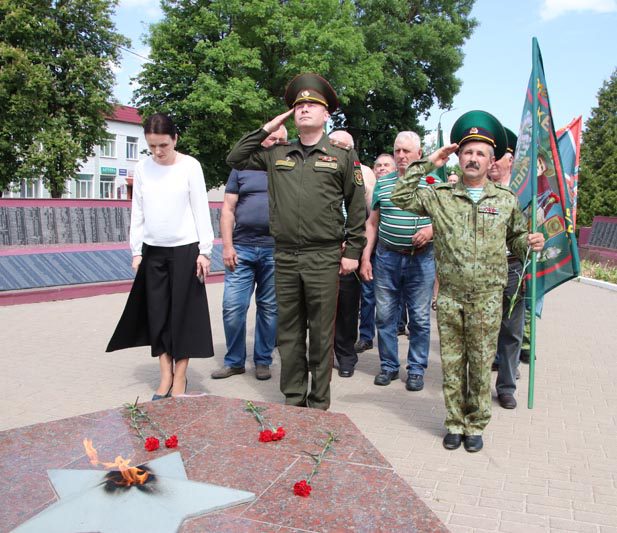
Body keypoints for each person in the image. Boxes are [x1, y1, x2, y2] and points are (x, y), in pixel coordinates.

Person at [390, 110, 545, 452]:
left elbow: (517, 238)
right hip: (451, 296)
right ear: (458, 158)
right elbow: (399, 196)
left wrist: (531, 242)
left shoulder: (505, 201)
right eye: (467, 152)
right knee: (452, 364)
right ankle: (454, 422)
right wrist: (430, 161)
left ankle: (475, 424)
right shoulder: (441, 195)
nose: (473, 158)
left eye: (480, 153)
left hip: (489, 297)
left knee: (478, 364)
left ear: (491, 161)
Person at [226, 73, 366, 410]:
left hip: (324, 255)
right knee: (288, 332)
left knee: (320, 333)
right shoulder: (277, 154)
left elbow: (357, 204)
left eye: (311, 105)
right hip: (285, 256)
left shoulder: (342, 155)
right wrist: (267, 128)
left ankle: (318, 401)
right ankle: (293, 396)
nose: (303, 110)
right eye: (298, 105)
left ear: (326, 115)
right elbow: (235, 158)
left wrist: (355, 251)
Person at [107, 112, 215, 399]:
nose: (157, 152)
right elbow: (138, 210)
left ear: (175, 139)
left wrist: (205, 251)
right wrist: (136, 251)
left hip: (186, 250)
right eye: (152, 146)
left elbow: (201, 210)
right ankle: (164, 375)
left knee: (183, 315)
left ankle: (180, 378)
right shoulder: (143, 168)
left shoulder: (190, 166)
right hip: (152, 252)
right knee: (157, 316)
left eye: (163, 145)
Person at [360, 131, 436, 392]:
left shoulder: (432, 182)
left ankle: (416, 369)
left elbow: (447, 219)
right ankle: (389, 366)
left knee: (419, 318)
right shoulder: (384, 183)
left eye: (406, 151)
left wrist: (431, 230)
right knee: (385, 315)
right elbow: (372, 223)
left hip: (421, 259)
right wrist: (365, 257)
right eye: (397, 151)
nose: (401, 156)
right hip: (387, 257)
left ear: (419, 154)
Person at [211, 126, 288, 381]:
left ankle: (263, 360)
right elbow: (228, 209)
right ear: (262, 139)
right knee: (233, 307)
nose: (275, 142)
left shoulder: (288, 167)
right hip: (241, 248)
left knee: (269, 308)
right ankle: (234, 361)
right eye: (272, 137)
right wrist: (227, 245)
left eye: (281, 140)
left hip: (275, 250)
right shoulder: (241, 167)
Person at [328, 129, 376, 377]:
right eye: (332, 143)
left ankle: (346, 355)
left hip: (349, 248)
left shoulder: (362, 173)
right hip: (323, 248)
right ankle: (323, 356)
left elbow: (367, 214)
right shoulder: (319, 168)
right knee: (322, 307)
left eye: (342, 145)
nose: (336, 147)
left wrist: (353, 242)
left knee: (347, 307)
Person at [488, 127, 524, 409]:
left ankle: (506, 387)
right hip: (483, 270)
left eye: (499, 156)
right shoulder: (479, 189)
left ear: (511, 158)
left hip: (513, 269)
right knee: (482, 331)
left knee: (511, 332)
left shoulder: (526, 193)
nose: (494, 162)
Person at [355, 153, 396, 354]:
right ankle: (366, 336)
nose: (382, 168)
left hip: (394, 252)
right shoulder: (370, 189)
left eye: (386, 165)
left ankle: (394, 330)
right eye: (378, 165)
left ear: (394, 168)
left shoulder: (399, 189)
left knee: (392, 297)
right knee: (368, 294)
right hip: (371, 250)